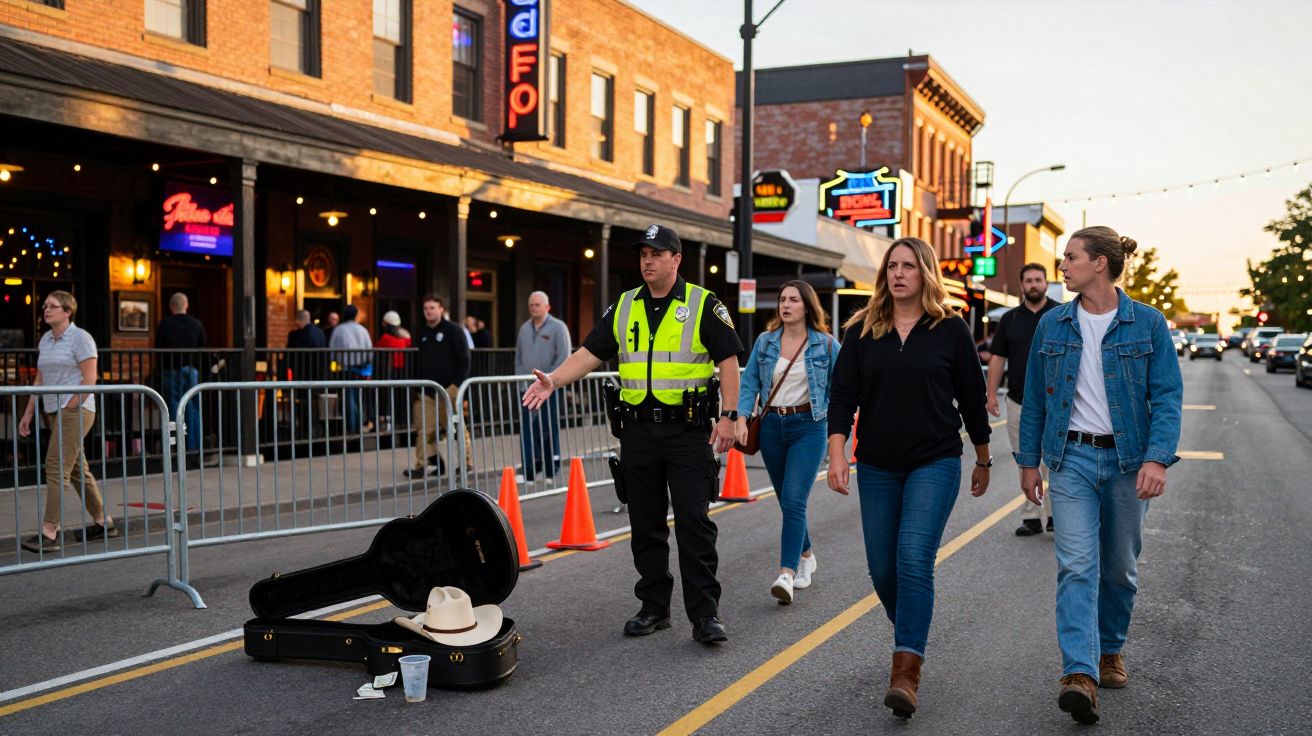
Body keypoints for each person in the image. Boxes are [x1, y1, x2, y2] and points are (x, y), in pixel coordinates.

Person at [523, 224, 742, 645]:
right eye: (643, 254)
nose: (647, 261)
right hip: (638, 432)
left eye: (656, 254)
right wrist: (554, 380)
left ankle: (704, 615)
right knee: (645, 524)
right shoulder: (625, 305)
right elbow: (589, 352)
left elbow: (728, 360)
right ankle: (654, 607)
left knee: (694, 523)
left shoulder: (702, 303)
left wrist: (730, 416)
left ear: (676, 260)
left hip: (687, 431)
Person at [1015, 226, 1182, 725]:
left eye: (1071, 257)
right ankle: (1080, 673)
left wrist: (1157, 458)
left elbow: (1167, 397)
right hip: (1071, 459)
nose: (1062, 266)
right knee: (1076, 566)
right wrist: (1028, 461)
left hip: (1128, 462)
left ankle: (1110, 649)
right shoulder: (1052, 325)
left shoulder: (1147, 323)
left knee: (1119, 569)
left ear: (1100, 263)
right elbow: (1035, 399)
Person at [826, 237, 992, 720]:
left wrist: (983, 459)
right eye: (892, 266)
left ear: (926, 274)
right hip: (877, 464)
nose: (899, 273)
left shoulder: (951, 329)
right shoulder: (862, 331)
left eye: (909, 266)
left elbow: (972, 396)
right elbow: (842, 397)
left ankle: (905, 671)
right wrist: (837, 453)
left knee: (914, 558)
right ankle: (911, 633)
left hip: (934, 461)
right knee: (883, 570)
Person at [735, 280, 838, 605]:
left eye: (794, 300)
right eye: (782, 299)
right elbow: (750, 381)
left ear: (807, 306)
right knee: (787, 501)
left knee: (794, 500)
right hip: (771, 428)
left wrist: (839, 430)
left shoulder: (826, 344)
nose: (786, 305)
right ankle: (806, 556)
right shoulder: (765, 342)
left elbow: (844, 386)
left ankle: (786, 574)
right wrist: (741, 417)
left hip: (809, 427)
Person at [17, 291, 117, 553]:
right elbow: (40, 379)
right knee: (76, 469)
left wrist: (72, 404)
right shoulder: (45, 340)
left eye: (52, 306)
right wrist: (29, 412)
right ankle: (104, 523)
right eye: (45, 306)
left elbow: (90, 378)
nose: (46, 309)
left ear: (68, 311)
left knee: (56, 465)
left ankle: (50, 532)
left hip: (76, 410)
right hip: (53, 410)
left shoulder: (81, 338)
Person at [986, 263, 1059, 537]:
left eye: (1038, 280)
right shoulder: (1010, 319)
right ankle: (1031, 517)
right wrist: (990, 394)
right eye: (1029, 280)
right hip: (1019, 401)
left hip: (1055, 403)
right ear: (1022, 285)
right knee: (1026, 460)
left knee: (1054, 461)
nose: (1033, 285)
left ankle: (1054, 515)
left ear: (1046, 283)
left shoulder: (1060, 315)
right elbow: (997, 358)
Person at [409, 295, 473, 478]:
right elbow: (418, 361)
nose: (428, 312)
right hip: (427, 391)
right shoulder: (422, 333)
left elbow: (465, 359)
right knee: (424, 430)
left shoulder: (453, 330)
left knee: (455, 428)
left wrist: (457, 385)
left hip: (448, 390)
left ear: (441, 309)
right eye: (426, 308)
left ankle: (466, 463)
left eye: (432, 308)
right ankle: (423, 465)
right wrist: (417, 387)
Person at [514, 291, 571, 481]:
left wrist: (549, 380)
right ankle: (529, 470)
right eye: (531, 304)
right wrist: (520, 381)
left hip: (549, 388)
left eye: (537, 304)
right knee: (527, 429)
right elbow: (518, 357)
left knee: (547, 427)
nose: (533, 308)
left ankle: (551, 469)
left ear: (547, 307)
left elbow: (564, 357)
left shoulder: (558, 328)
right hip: (527, 389)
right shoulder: (524, 329)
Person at [155, 292, 207, 451]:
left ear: (171, 306)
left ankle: (176, 445)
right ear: (187, 305)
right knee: (192, 406)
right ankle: (194, 445)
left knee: (172, 407)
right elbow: (203, 347)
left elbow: (158, 347)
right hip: (190, 369)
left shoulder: (165, 324)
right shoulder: (196, 324)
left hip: (170, 370)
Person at [328, 304, 372, 433]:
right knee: (359, 399)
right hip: (361, 369)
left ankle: (352, 427)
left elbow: (332, 351)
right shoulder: (363, 330)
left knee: (349, 398)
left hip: (345, 369)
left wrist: (335, 362)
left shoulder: (339, 330)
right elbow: (369, 350)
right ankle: (359, 425)